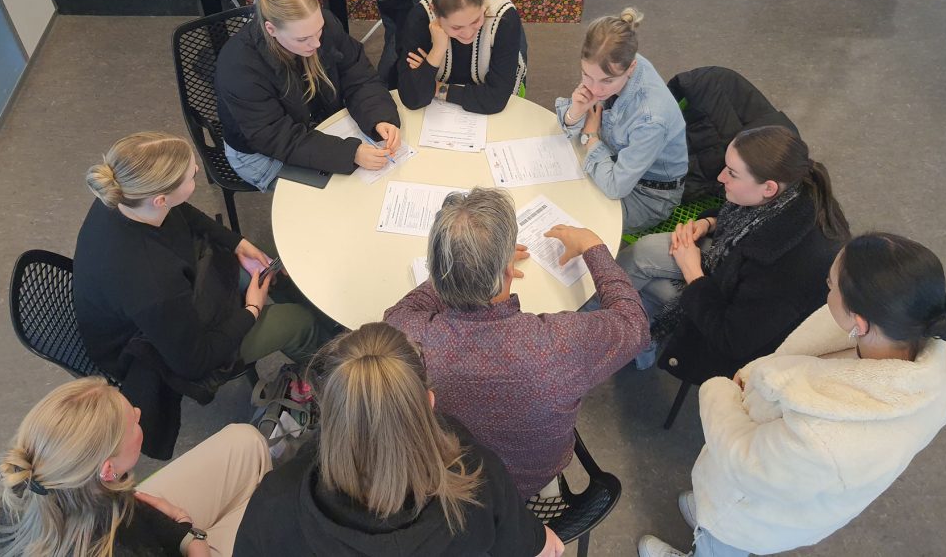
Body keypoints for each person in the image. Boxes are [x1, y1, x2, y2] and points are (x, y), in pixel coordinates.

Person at [637, 232, 946, 557]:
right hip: (796, 489)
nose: (825, 288)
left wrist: (718, 391)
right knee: (713, 518)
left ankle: (708, 533)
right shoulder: (927, 352)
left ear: (858, 322)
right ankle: (706, 514)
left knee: (721, 543)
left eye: (831, 286)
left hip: (752, 509)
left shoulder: (825, 438)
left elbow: (746, 462)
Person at [384, 187, 650, 498]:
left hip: (450, 475)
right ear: (508, 270)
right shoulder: (557, 345)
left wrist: (461, 265)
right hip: (531, 480)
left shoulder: (411, 335)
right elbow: (634, 323)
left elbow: (397, 312)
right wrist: (593, 246)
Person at [74, 132, 324, 459]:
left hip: (180, 299)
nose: (197, 170)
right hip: (161, 350)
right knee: (299, 323)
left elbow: (184, 214)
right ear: (160, 199)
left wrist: (236, 243)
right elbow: (196, 361)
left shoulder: (126, 195)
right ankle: (329, 370)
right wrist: (251, 308)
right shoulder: (152, 282)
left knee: (267, 273)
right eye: (191, 175)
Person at [234, 322, 565, 557]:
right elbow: (543, 547)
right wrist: (543, 539)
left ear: (325, 412)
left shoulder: (274, 504)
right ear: (429, 404)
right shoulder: (475, 477)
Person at [617, 125, 849, 382]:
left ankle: (622, 334)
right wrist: (709, 224)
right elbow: (743, 216)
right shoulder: (796, 191)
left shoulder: (793, 267)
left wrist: (693, 272)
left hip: (741, 337)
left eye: (732, 174)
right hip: (731, 271)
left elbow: (732, 339)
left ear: (769, 188)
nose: (720, 177)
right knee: (644, 252)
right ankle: (617, 325)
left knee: (655, 288)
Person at [0, 377, 270, 557]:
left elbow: (129, 515)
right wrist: (196, 541)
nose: (138, 413)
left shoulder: (31, 487)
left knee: (247, 441)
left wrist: (177, 525)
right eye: (132, 422)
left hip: (130, 527)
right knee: (269, 524)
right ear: (108, 470)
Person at [216, 0, 401, 191]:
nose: (316, 43)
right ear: (271, 29)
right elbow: (273, 136)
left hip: (313, 125)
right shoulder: (239, 67)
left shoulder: (321, 26)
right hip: (260, 153)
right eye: (302, 39)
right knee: (338, 194)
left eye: (319, 30)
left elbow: (357, 73)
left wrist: (379, 117)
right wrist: (351, 153)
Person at [556, 8, 688, 234]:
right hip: (614, 157)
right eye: (586, 75)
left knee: (574, 223)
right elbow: (572, 123)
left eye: (607, 81)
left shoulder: (651, 119)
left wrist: (590, 136)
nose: (595, 89)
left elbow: (616, 187)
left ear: (632, 67)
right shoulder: (610, 62)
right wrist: (575, 112)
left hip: (648, 194)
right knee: (558, 193)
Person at [396, 0, 526, 114]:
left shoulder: (504, 17)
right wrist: (437, 51)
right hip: (440, 113)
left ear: (483, 2)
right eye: (456, 27)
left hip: (489, 111)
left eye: (476, 20)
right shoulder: (419, 19)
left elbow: (495, 100)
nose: (468, 33)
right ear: (435, 12)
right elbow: (412, 99)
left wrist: (437, 88)